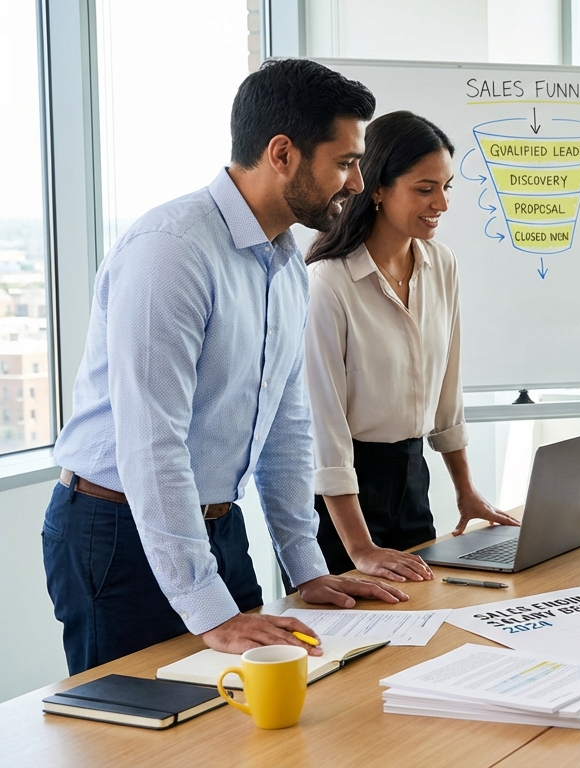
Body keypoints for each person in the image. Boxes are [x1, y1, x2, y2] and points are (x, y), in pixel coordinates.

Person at [43, 58, 409, 676]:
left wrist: (308, 567)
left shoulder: (286, 265)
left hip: (216, 526)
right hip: (118, 531)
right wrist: (212, 612)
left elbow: (288, 429)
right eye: (345, 161)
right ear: (283, 153)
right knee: (142, 738)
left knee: (234, 722)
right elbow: (151, 443)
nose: (355, 182)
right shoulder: (173, 252)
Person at [302, 111, 518, 584]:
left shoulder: (441, 264)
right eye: (425, 189)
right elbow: (325, 429)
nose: (441, 202)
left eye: (447, 187)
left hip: (412, 474)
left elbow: (447, 386)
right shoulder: (328, 283)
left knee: (422, 619)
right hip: (341, 497)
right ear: (377, 187)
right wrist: (359, 549)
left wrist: (467, 491)